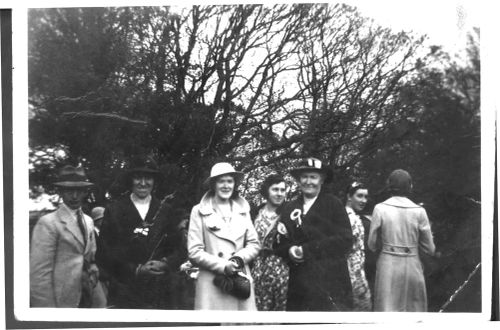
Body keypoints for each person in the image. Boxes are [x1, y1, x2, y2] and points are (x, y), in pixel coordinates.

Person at [96, 156, 188, 309]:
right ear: (130, 180)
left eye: (148, 178)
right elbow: (104, 253)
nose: (143, 183)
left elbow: (180, 250)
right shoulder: (115, 210)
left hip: (160, 293)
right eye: (138, 178)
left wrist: (165, 264)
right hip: (124, 291)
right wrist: (136, 269)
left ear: (154, 181)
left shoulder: (166, 210)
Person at [275, 157, 353, 311]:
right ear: (298, 180)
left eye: (313, 177)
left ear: (322, 180)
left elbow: (345, 240)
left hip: (330, 281)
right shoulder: (290, 207)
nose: (308, 181)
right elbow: (278, 242)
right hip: (299, 282)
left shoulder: (333, 204)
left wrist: (308, 250)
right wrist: (289, 250)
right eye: (304, 177)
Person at [30, 165, 106, 308]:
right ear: (61, 192)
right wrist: (48, 314)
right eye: (69, 190)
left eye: (79, 190)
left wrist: (93, 267)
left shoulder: (89, 221)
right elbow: (39, 276)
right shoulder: (48, 223)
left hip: (88, 294)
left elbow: (90, 256)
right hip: (63, 301)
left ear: (85, 192)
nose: (75, 196)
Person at [187, 162, 260, 310]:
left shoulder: (243, 210)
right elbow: (194, 251)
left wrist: (239, 259)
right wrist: (223, 266)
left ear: (234, 184)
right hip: (212, 283)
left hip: (239, 281)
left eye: (230, 181)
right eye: (221, 181)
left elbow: (254, 244)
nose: (226, 186)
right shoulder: (199, 211)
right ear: (213, 184)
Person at [367, 169, 436, 312]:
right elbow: (430, 249)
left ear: (389, 186)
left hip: (388, 265)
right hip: (413, 265)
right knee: (414, 312)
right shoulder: (419, 211)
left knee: (386, 310)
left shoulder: (380, 208)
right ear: (410, 186)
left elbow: (371, 244)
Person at [250, 174, 289, 311]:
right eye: (275, 189)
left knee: (281, 313)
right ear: (267, 191)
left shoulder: (289, 213)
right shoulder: (255, 213)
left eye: (282, 190)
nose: (279, 194)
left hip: (283, 269)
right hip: (258, 269)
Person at [345, 182, 372, 311]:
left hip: (358, 271)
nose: (363, 200)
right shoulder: (348, 218)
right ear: (349, 197)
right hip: (350, 273)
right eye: (359, 196)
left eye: (365, 197)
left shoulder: (356, 216)